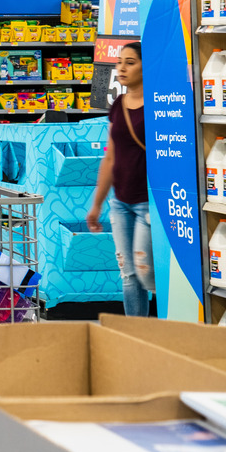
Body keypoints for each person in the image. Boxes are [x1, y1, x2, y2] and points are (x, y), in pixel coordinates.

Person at [87, 43, 152, 317]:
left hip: (149, 203)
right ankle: (134, 338)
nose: (122, 68)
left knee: (146, 272)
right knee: (128, 275)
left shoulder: (159, 105)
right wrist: (96, 205)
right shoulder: (118, 105)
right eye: (119, 62)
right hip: (121, 203)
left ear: (144, 66)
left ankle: (171, 326)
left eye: (130, 62)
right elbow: (110, 157)